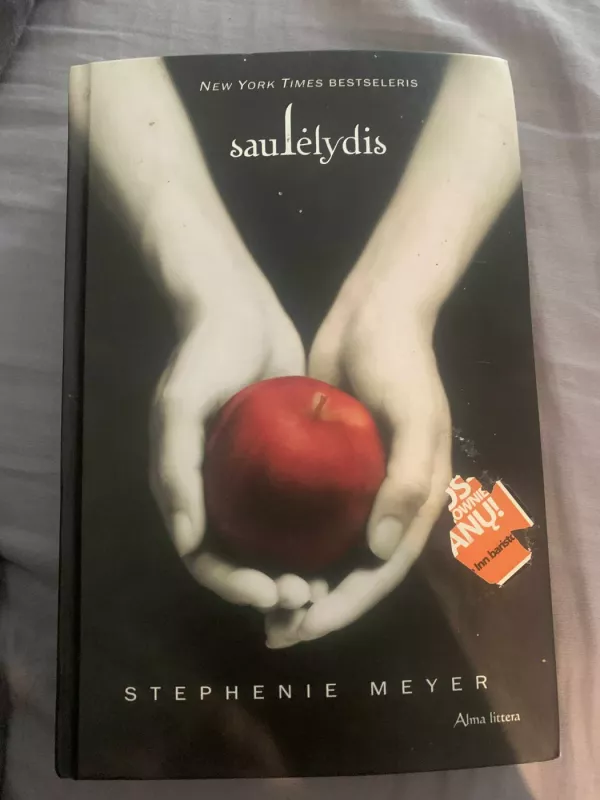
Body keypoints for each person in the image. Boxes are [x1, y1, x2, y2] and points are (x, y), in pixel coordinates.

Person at [72, 53, 520, 649]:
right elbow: (99, 62)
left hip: (458, 259)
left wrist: (399, 300)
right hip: (150, 257)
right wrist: (207, 286)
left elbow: (505, 64)